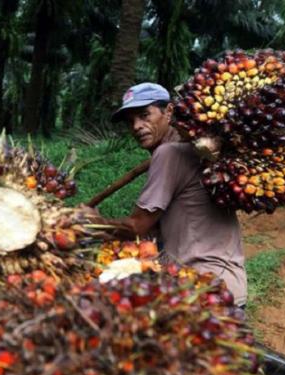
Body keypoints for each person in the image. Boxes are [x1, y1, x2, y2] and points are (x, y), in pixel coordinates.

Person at [97, 82, 247, 306]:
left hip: (202, 289)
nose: (137, 126)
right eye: (131, 122)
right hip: (223, 286)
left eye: (144, 115)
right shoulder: (190, 151)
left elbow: (138, 226)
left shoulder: (169, 153)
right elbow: (152, 234)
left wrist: (93, 223)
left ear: (169, 111)